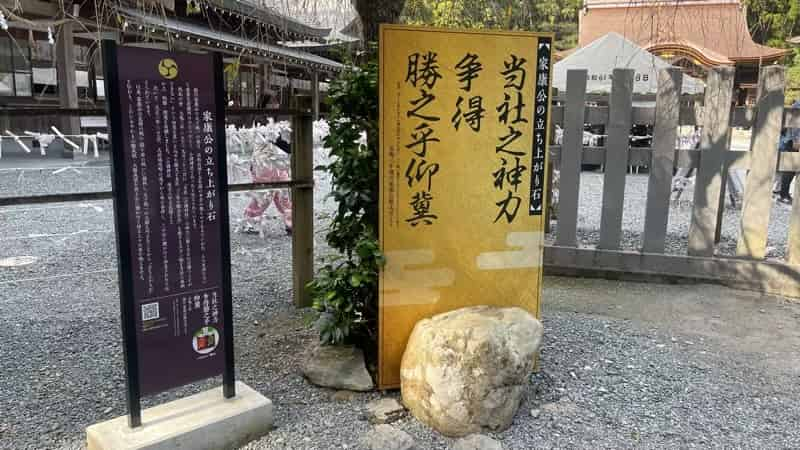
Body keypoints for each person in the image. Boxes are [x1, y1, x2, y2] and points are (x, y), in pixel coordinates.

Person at [774, 128, 796, 204]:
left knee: (791, 172)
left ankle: (784, 193)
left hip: (791, 142)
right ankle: (783, 194)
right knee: (789, 171)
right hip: (791, 143)